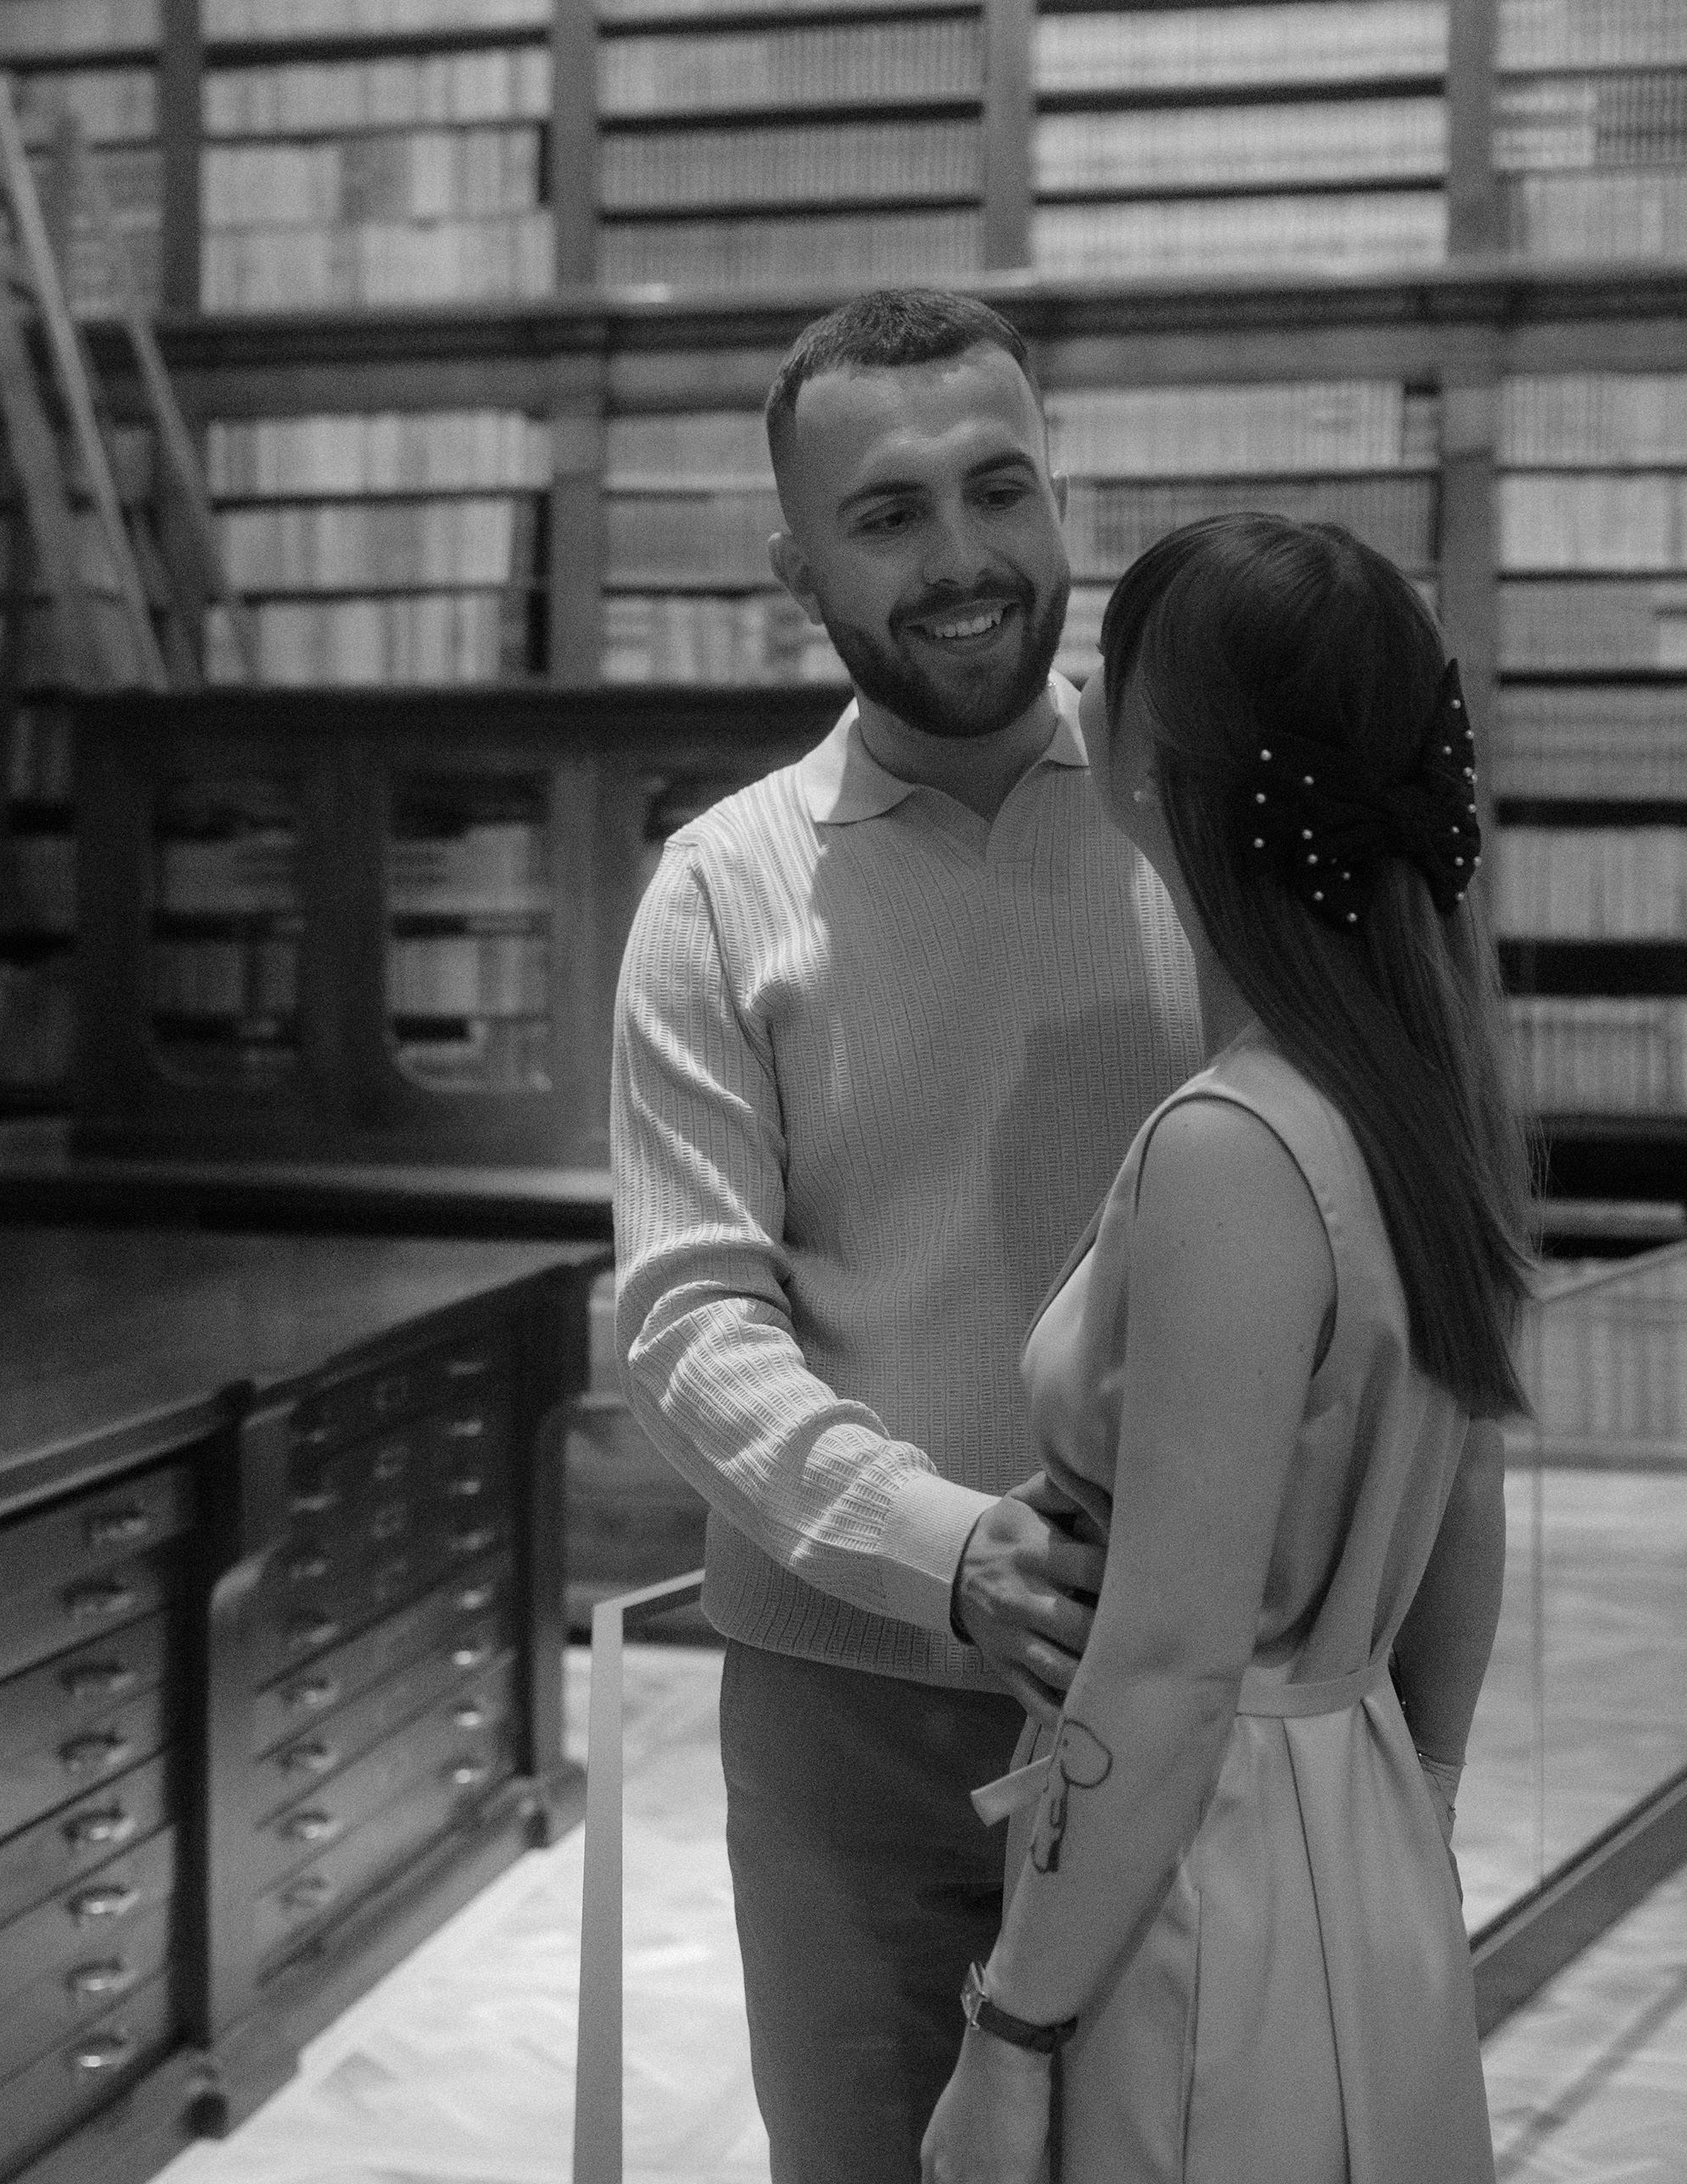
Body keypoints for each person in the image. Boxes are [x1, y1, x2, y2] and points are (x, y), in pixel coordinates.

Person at [610, 287, 1205, 2184]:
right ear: (799, 569)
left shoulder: (1201, 835)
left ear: (1061, 499)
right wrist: (950, 1550)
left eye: (997, 488)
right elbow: (687, 1322)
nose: (960, 558)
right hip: (845, 1712)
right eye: (887, 515)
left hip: (1188, 1682)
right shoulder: (720, 891)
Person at [919, 512, 1528, 2184]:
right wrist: (1411, 1800)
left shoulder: (1234, 1146)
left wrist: (1009, 2030)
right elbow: (1466, 1513)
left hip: (1202, 1878)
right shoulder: (1419, 1095)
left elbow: (1173, 1661)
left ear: (1145, 759)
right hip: (1363, 1813)